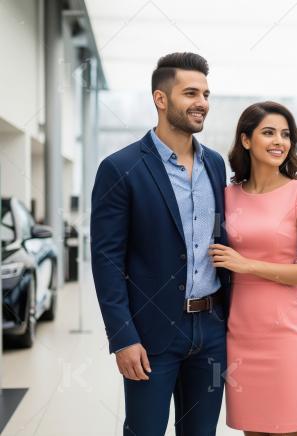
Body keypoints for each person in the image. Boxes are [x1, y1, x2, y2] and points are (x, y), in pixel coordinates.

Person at [91, 52, 230, 436]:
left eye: (205, 93)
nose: (202, 102)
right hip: (150, 334)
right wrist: (123, 337)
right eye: (190, 92)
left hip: (211, 330)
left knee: (202, 433)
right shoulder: (120, 168)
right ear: (161, 99)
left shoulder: (216, 165)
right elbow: (106, 260)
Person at [209, 101, 297, 436]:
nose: (279, 141)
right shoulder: (226, 196)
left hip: (287, 335)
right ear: (246, 140)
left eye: (286, 135)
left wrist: (247, 265)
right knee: (253, 431)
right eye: (269, 132)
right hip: (241, 334)